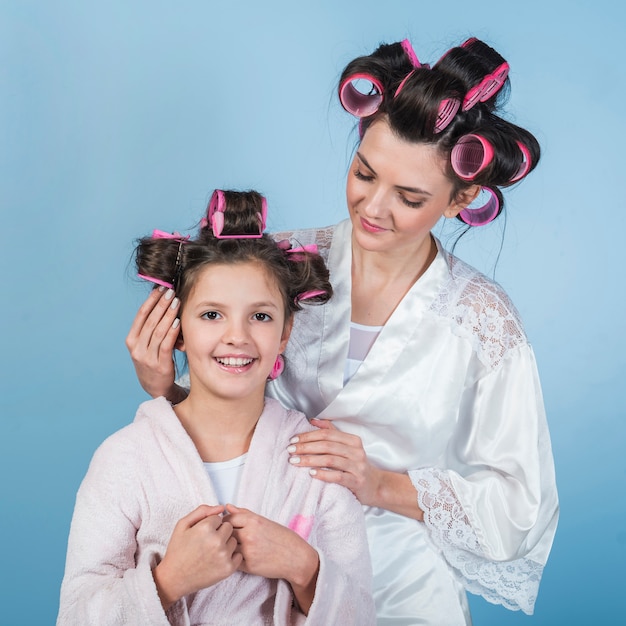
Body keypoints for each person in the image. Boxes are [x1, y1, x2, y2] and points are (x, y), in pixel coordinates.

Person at [126, 37, 559, 625]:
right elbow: (229, 422)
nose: (374, 207)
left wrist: (378, 483)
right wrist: (163, 387)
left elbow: (519, 508)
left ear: (462, 199)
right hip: (263, 568)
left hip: (401, 589)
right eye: (364, 174)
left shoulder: (482, 321)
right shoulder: (280, 266)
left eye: (409, 197)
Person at [58, 190, 376, 625]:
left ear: (285, 333)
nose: (237, 337)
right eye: (212, 315)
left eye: (260, 316)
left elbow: (361, 616)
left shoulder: (316, 464)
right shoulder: (124, 460)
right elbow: (74, 616)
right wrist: (169, 580)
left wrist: (303, 566)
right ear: (178, 329)